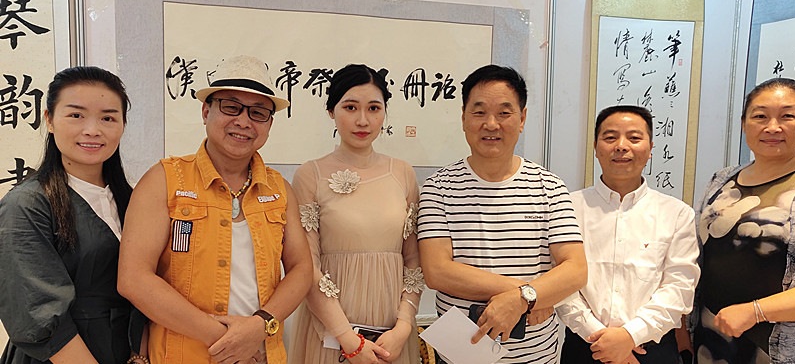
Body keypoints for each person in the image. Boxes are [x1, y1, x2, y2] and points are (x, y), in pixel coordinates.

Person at [117, 55, 312, 364]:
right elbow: (133, 278)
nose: (244, 122)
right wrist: (226, 340)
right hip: (184, 356)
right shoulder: (164, 180)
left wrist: (260, 325)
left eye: (258, 112)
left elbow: (301, 269)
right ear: (206, 111)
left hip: (262, 355)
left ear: (269, 124)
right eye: (231, 107)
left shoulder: (279, 189)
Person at [417, 64, 587, 364]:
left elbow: (575, 269)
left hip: (536, 357)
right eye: (479, 112)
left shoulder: (549, 187)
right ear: (463, 118)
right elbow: (437, 271)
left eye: (504, 113)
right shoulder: (438, 187)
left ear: (522, 118)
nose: (491, 124)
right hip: (461, 357)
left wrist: (521, 299)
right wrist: (529, 296)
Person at [0, 66, 138, 364]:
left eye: (108, 118)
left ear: (123, 125)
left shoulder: (134, 199)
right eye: (76, 115)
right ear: (49, 120)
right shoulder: (27, 204)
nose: (93, 130)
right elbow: (37, 311)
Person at [288, 64, 422, 364]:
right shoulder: (310, 175)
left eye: (374, 108)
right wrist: (347, 338)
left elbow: (413, 260)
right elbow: (307, 266)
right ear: (331, 111)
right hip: (330, 333)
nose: (363, 120)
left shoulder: (403, 173)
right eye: (350, 107)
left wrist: (403, 325)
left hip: (392, 335)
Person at [556, 105, 700, 364]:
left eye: (634, 138)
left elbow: (679, 287)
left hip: (653, 349)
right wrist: (600, 338)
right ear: (596, 147)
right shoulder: (568, 207)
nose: (621, 146)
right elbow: (559, 281)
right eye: (610, 137)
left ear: (650, 148)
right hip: (584, 347)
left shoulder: (677, 213)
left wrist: (630, 336)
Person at [692, 77, 795, 364]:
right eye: (760, 116)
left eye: (787, 116)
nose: (772, 127)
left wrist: (755, 311)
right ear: (744, 124)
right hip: (711, 341)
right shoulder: (722, 180)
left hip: (774, 348)